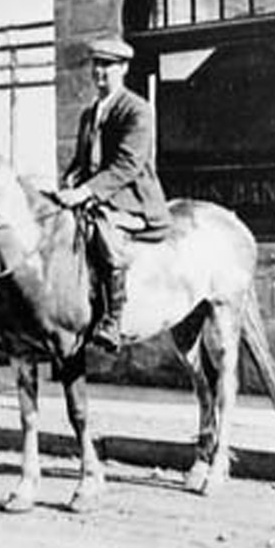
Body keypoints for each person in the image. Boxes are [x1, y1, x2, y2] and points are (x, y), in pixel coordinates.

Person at [56, 34, 172, 352]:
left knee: (103, 231)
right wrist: (68, 183)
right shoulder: (89, 113)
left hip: (132, 199)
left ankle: (112, 319)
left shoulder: (137, 110)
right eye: (96, 65)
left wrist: (86, 192)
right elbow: (81, 161)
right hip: (95, 196)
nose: (99, 73)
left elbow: (128, 164)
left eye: (107, 65)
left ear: (123, 68)